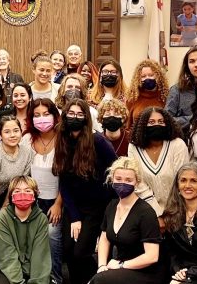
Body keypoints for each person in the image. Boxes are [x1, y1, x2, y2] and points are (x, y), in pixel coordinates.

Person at [53, 99, 117, 284]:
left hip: (98, 206)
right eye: (71, 114)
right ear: (64, 117)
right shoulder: (62, 140)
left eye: (80, 114)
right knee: (67, 250)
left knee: (81, 252)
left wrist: (113, 207)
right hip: (74, 205)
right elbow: (63, 181)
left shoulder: (98, 140)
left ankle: (95, 280)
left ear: (87, 118)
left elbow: (115, 169)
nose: (75, 117)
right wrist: (74, 217)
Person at [89, 157, 164, 284]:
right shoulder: (112, 205)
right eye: (118, 179)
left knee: (99, 281)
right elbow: (104, 238)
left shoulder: (145, 212)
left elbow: (152, 256)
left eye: (128, 180)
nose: (123, 183)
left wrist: (122, 265)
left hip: (146, 272)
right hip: (120, 266)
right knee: (99, 277)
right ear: (112, 179)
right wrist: (102, 266)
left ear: (137, 182)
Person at [0, 115, 33, 284]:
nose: (12, 135)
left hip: (14, 194)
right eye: (7, 131)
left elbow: (20, 181)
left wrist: (6, 207)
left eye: (16, 130)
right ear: (0, 134)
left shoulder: (27, 151)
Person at [22, 98, 63, 283]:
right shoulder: (27, 139)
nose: (42, 118)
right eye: (37, 115)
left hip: (57, 201)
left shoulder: (63, 138)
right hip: (32, 202)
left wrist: (58, 204)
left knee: (52, 235)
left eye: (46, 114)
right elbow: (22, 173)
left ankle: (55, 277)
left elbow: (68, 179)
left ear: (55, 115)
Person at [128, 107, 189, 225]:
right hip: (146, 210)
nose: (157, 125)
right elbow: (138, 182)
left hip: (177, 210)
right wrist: (156, 214)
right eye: (151, 122)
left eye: (161, 122)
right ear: (142, 126)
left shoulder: (177, 145)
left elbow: (181, 179)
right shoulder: (134, 147)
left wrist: (171, 214)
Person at [0, 176, 51, 284]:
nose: (22, 194)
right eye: (17, 191)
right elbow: (7, 255)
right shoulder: (3, 217)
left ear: (35, 195)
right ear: (11, 196)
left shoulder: (41, 219)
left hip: (34, 270)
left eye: (27, 191)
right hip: (9, 271)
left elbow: (40, 256)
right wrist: (19, 282)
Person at [163, 161, 197, 284]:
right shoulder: (171, 213)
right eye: (183, 180)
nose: (187, 185)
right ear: (177, 185)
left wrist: (189, 274)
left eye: (193, 181)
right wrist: (178, 272)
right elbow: (171, 252)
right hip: (179, 272)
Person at [165, 45, 197, 139]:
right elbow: (166, 120)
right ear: (187, 66)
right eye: (191, 61)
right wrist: (196, 119)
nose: (196, 64)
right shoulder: (177, 90)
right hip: (184, 144)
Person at [126, 59, 169, 130]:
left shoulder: (166, 96)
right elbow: (128, 125)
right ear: (138, 79)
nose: (147, 78)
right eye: (143, 76)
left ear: (158, 76)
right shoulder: (132, 98)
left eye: (151, 75)